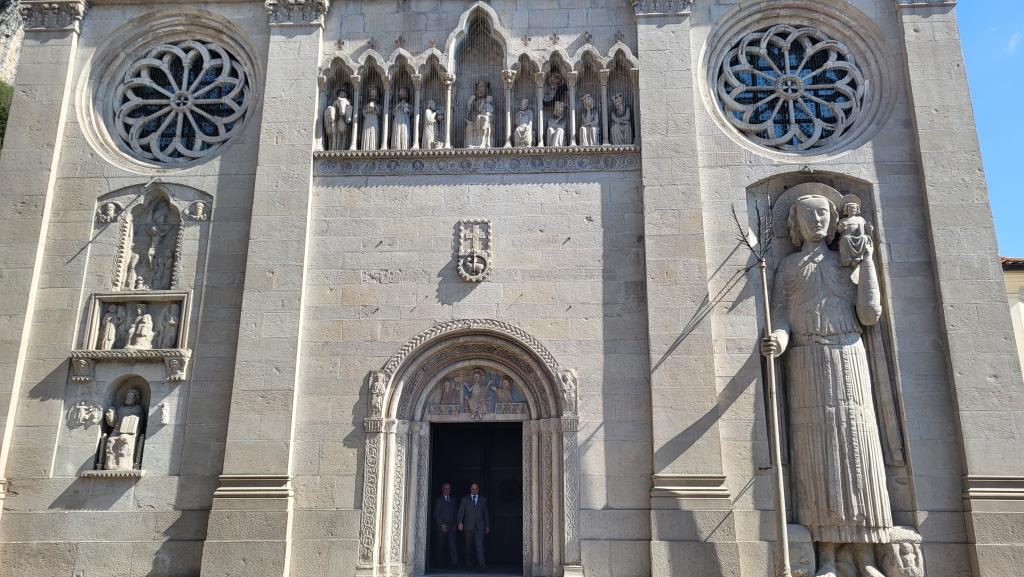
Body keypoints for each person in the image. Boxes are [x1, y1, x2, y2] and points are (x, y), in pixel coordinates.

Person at [762, 194, 891, 577]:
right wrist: (778, 340)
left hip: (848, 356)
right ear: (795, 223)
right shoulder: (788, 267)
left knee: (858, 451)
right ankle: (829, 555)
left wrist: (867, 261)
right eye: (808, 214)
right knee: (815, 456)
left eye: (822, 213)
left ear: (833, 219)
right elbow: (781, 315)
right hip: (807, 362)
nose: (816, 220)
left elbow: (869, 313)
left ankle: (866, 555)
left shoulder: (845, 261)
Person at [457, 483, 490, 569]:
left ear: (478, 489)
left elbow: (486, 514)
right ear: (470, 489)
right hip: (468, 527)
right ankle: (469, 564)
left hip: (480, 527)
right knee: (468, 546)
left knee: (479, 546)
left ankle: (482, 564)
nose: (474, 490)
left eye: (475, 489)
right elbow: (461, 511)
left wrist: (487, 526)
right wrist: (460, 522)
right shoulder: (465, 499)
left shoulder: (483, 500)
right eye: (472, 489)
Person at [432, 483, 459, 568]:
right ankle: (439, 563)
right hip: (441, 527)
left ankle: (455, 563)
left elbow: (455, 513)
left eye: (448, 488)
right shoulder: (439, 500)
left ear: (450, 490)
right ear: (442, 489)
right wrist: (441, 525)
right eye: (445, 488)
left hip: (451, 526)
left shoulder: (453, 500)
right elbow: (436, 514)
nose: (447, 490)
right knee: (440, 545)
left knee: (452, 546)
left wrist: (455, 524)